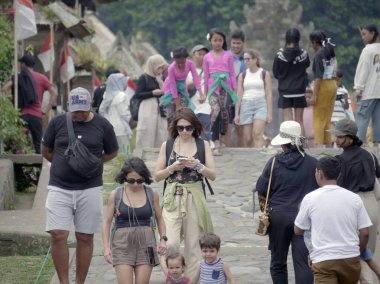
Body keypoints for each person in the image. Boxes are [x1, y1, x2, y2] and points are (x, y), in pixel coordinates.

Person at [41, 87, 119, 284]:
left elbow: (112, 152)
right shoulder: (57, 122)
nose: (78, 114)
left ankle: (80, 282)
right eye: (75, 110)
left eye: (83, 110)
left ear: (90, 106)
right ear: (69, 107)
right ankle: (64, 281)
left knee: (85, 237)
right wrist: (64, 164)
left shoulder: (103, 125)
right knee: (58, 235)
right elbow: (46, 150)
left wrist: (90, 163)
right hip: (59, 187)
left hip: (90, 187)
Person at [154, 108, 216, 279]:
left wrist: (198, 165)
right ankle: (171, 277)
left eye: (188, 127)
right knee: (169, 242)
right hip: (172, 196)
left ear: (195, 127)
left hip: (194, 196)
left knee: (194, 245)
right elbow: (157, 176)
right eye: (180, 128)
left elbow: (213, 175)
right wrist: (172, 167)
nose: (184, 131)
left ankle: (190, 281)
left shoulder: (202, 145)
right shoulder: (167, 145)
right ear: (175, 128)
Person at [255, 120, 317, 283]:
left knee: (278, 262)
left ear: (284, 143)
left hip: (279, 218)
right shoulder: (313, 164)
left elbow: (262, 188)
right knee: (304, 263)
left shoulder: (274, 162)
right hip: (304, 219)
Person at [294, 156, 372, 284]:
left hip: (324, 260)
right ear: (339, 174)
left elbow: (298, 230)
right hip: (350, 260)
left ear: (319, 174)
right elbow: (365, 233)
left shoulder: (310, 198)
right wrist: (357, 252)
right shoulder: (354, 198)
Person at [329, 118, 380, 283]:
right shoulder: (370, 156)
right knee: (369, 252)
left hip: (351, 204)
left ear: (349, 138)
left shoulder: (340, 160)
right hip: (371, 203)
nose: (336, 140)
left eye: (339, 136)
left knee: (351, 255)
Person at [102, 157, 167, 284]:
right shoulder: (116, 195)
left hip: (147, 243)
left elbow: (159, 218)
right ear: (124, 178)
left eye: (140, 181)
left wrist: (163, 240)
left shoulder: (151, 194)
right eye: (131, 181)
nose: (136, 184)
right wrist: (106, 247)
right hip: (122, 244)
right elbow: (107, 222)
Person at [2, 55, 58, 154]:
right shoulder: (42, 78)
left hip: (21, 115)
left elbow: (4, 88)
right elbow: (54, 93)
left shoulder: (19, 76)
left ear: (23, 64)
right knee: (38, 144)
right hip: (37, 115)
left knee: (19, 144)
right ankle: (38, 168)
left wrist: (10, 103)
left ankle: (20, 168)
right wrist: (46, 110)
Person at [203, 28, 237, 156]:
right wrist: (205, 92)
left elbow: (232, 74)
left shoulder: (228, 55)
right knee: (215, 111)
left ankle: (222, 138)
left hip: (226, 87)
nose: (217, 43)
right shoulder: (207, 57)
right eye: (215, 40)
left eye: (220, 40)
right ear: (211, 41)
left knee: (224, 112)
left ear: (223, 41)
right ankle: (215, 141)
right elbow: (206, 75)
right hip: (213, 88)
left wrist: (234, 90)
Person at [273, 28, 310, 134]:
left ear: (286, 39)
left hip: (285, 91)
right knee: (299, 121)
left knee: (287, 121)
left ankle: (289, 148)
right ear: (298, 39)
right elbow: (307, 65)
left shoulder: (279, 55)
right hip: (299, 91)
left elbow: (276, 73)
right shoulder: (304, 54)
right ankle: (301, 147)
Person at [234, 49, 273, 148]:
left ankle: (258, 158)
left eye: (248, 59)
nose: (246, 61)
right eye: (244, 59)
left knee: (257, 134)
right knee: (247, 138)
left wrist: (269, 113)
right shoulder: (243, 75)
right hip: (246, 105)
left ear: (255, 60)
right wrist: (236, 114)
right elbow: (239, 95)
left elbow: (268, 94)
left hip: (261, 104)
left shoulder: (264, 73)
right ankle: (264, 143)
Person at [309, 31, 338, 148]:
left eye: (311, 43)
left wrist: (314, 95)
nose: (311, 46)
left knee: (318, 117)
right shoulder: (329, 50)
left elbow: (318, 77)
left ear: (315, 43)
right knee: (327, 117)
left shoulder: (318, 55)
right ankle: (329, 145)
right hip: (333, 84)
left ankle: (319, 145)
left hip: (324, 86)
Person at [161, 46, 205, 119]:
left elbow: (196, 78)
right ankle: (171, 128)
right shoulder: (171, 68)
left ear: (186, 58)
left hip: (182, 87)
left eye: (183, 61)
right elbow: (172, 85)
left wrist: (201, 94)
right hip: (170, 88)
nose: (181, 64)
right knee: (171, 113)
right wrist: (177, 104)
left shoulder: (190, 64)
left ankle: (182, 127)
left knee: (183, 112)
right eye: (178, 62)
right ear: (175, 59)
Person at [354, 24, 380, 146]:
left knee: (362, 116)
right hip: (379, 92)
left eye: (365, 34)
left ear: (373, 33)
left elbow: (363, 70)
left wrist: (358, 88)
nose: (362, 37)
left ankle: (361, 143)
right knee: (378, 118)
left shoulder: (367, 50)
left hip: (368, 91)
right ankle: (376, 144)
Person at [135, 54, 168, 149]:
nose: (160, 71)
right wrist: (152, 93)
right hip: (147, 108)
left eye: (162, 68)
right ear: (152, 66)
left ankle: (159, 156)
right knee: (147, 132)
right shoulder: (144, 77)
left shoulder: (159, 79)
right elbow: (138, 94)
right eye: (159, 68)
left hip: (159, 109)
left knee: (161, 132)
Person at [98, 73, 132, 154]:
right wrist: (131, 121)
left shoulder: (106, 95)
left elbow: (101, 111)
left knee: (112, 155)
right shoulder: (122, 95)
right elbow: (125, 113)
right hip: (121, 129)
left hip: (109, 129)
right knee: (124, 154)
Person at [187, 44, 212, 142]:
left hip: (206, 106)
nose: (202, 57)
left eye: (204, 55)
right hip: (191, 106)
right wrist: (194, 81)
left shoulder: (209, 71)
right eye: (199, 54)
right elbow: (181, 88)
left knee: (206, 131)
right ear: (193, 55)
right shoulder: (186, 71)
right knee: (191, 133)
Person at [228, 30, 247, 147]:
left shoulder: (247, 58)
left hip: (242, 97)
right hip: (227, 96)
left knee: (240, 127)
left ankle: (240, 152)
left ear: (243, 43)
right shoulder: (226, 57)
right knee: (226, 126)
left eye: (238, 43)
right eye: (234, 43)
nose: (236, 46)